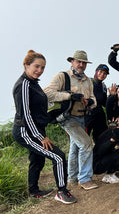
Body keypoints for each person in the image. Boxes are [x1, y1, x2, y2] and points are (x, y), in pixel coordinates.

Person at [12, 50, 77, 204]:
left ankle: (34, 191)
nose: (39, 71)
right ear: (26, 65)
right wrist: (41, 137)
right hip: (25, 131)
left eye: (42, 68)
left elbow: (39, 108)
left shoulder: (34, 83)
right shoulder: (23, 86)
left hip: (36, 129)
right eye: (36, 66)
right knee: (58, 156)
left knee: (38, 159)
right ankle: (62, 191)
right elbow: (26, 115)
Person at [44, 50, 98, 190]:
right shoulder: (63, 77)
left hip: (81, 117)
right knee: (86, 144)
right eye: (78, 61)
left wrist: (91, 103)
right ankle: (85, 179)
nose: (81, 64)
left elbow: (93, 98)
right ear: (72, 62)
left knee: (75, 147)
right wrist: (69, 96)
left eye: (83, 62)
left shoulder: (88, 81)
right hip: (67, 117)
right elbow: (47, 93)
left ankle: (72, 177)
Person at [85, 64, 109, 142]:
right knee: (84, 139)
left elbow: (104, 103)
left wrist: (112, 96)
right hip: (86, 113)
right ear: (96, 71)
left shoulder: (103, 86)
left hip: (99, 114)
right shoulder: (87, 81)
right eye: (101, 71)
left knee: (102, 138)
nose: (102, 74)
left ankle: (98, 153)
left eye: (105, 73)